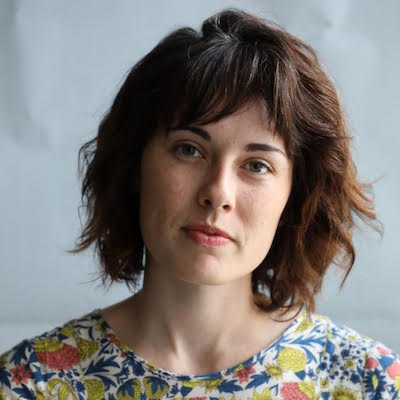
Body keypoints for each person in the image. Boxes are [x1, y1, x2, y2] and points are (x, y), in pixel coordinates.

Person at [1, 8, 399, 400]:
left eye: (256, 166)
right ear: (135, 166)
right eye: (189, 149)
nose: (218, 193)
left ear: (294, 196)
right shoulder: (32, 383)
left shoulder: (368, 383)